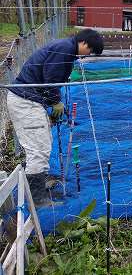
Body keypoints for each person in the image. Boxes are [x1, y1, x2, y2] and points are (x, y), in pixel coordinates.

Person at [6, 29, 104, 206]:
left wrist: (51, 105)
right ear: (84, 43)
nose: (88, 55)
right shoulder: (64, 49)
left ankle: (39, 186)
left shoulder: (67, 49)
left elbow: (49, 80)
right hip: (25, 102)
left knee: (44, 143)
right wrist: (55, 102)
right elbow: (51, 79)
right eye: (90, 50)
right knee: (38, 149)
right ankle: (37, 200)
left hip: (30, 100)